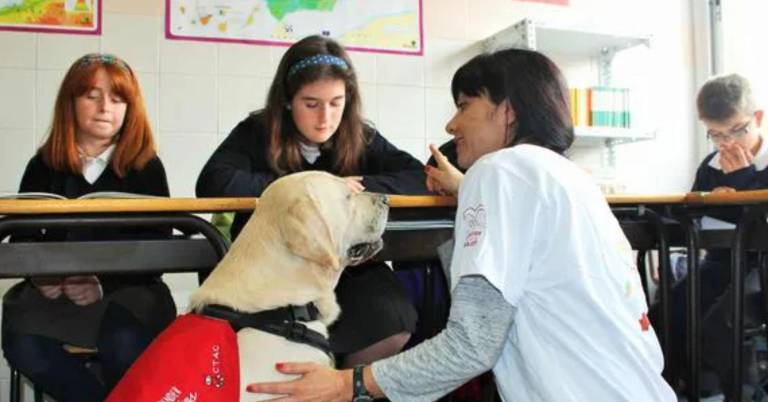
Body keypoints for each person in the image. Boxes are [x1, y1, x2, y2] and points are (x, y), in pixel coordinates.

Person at [245, 48, 676, 401]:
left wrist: (348, 384)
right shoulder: (564, 176)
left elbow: (472, 343)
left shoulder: (500, 173)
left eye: (465, 106)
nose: (452, 125)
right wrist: (467, 189)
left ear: (506, 111)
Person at [195, 35, 429, 368]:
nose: (325, 118)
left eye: (337, 102)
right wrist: (303, 188)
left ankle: (342, 386)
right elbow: (212, 182)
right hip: (276, 267)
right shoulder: (257, 131)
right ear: (288, 101)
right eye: (311, 103)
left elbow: (419, 177)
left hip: (343, 267)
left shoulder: (360, 136)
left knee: (394, 319)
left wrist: (351, 189)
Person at [1, 53, 177, 402]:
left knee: (124, 342)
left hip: (130, 289)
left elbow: (158, 244)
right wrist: (42, 276)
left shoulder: (146, 166)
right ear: (71, 103)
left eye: (117, 99)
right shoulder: (44, 164)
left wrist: (101, 283)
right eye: (91, 96)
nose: (104, 108)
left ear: (130, 107)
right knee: (23, 343)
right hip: (58, 290)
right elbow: (22, 234)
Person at [661, 73, 767, 398]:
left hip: (760, 270)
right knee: (667, 313)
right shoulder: (711, 165)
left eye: (737, 130)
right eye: (716, 135)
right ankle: (672, 390)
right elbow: (691, 211)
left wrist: (744, 179)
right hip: (719, 264)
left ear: (758, 118)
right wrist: (709, 199)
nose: (728, 144)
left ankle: (743, 394)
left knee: (718, 326)